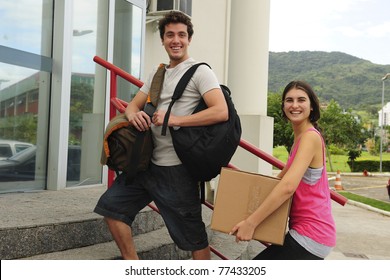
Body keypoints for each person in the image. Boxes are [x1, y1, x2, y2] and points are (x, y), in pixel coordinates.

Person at [94, 11, 228, 260]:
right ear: (163, 40)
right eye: (170, 35)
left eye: (181, 35)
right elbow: (133, 105)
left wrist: (175, 119)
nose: (175, 40)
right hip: (145, 165)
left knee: (194, 238)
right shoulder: (158, 73)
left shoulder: (200, 72)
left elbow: (221, 111)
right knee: (111, 209)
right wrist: (133, 114)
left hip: (176, 170)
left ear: (189, 39)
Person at [231, 81, 336, 260]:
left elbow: (287, 186)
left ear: (311, 107)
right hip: (307, 232)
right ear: (283, 106)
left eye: (301, 100)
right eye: (289, 100)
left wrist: (251, 222)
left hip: (311, 233)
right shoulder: (301, 138)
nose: (294, 105)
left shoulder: (310, 138)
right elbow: (279, 180)